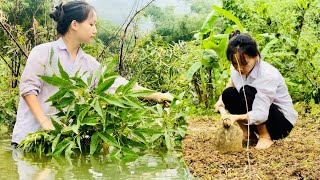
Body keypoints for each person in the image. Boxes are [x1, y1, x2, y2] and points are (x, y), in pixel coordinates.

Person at [11, 1, 173, 146]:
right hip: (29, 140)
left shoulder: (88, 63)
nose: (95, 30)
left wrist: (157, 95)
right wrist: (46, 123)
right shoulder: (43, 52)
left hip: (60, 142)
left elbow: (117, 84)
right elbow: (28, 90)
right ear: (75, 24)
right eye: (91, 24)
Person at [214, 30, 298, 149]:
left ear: (256, 56)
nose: (239, 68)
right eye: (235, 64)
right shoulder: (236, 66)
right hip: (255, 117)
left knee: (247, 90)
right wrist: (220, 101)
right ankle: (248, 134)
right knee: (228, 94)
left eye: (244, 63)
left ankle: (265, 136)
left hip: (280, 123)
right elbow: (232, 81)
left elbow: (261, 112)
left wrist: (236, 117)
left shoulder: (267, 74)